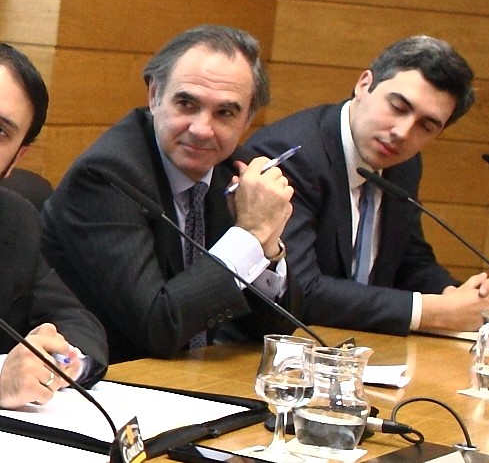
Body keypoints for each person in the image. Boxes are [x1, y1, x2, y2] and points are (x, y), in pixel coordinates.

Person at [41, 25, 297, 362]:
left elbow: (273, 329)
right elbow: (157, 327)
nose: (201, 129)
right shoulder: (107, 176)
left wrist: (267, 247)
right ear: (154, 95)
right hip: (107, 379)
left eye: (225, 113)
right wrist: (250, 234)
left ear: (248, 118)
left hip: (189, 378)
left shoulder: (235, 171)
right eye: (187, 104)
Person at [246, 35, 489, 336]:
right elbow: (300, 290)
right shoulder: (291, 155)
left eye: (426, 126)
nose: (403, 132)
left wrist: (458, 297)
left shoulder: (404, 163)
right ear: (364, 84)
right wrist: (432, 313)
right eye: (398, 107)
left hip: (356, 349)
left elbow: (409, 260)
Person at [0, 43, 108, 409]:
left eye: (0, 131)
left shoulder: (14, 220)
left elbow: (76, 323)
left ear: (16, 158)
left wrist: (56, 363)